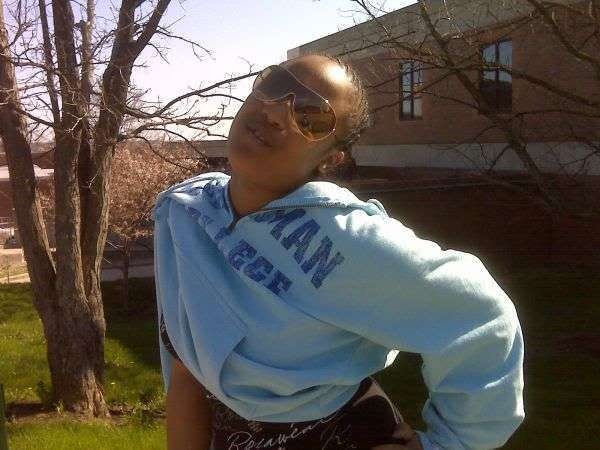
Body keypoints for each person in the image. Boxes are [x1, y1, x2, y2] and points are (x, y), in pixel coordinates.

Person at [153, 54, 525, 450]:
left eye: (311, 116)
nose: (276, 113)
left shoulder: (348, 241)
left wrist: (450, 444)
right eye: (277, 86)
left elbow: (482, 316)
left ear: (331, 157)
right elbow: (187, 372)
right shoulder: (186, 211)